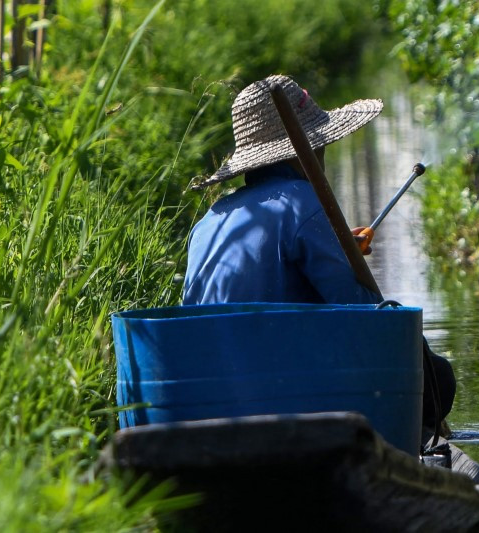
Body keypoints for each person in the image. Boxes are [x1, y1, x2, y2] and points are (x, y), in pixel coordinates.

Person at [183, 74, 454, 429]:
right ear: (306, 151)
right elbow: (363, 314)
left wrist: (341, 250)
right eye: (321, 144)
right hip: (284, 387)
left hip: (213, 389)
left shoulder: (210, 219)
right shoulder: (305, 202)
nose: (324, 152)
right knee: (436, 374)